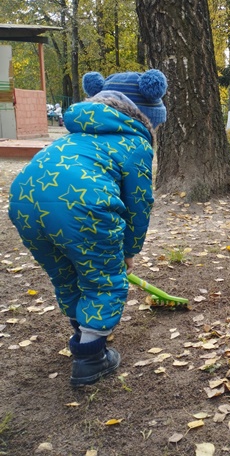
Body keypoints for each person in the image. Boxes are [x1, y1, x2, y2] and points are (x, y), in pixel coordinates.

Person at [8, 69, 168, 386]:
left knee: (66, 273)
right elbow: (139, 203)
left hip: (23, 203)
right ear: (145, 115)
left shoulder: (75, 136)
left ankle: (83, 332)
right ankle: (91, 359)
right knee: (103, 280)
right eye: (156, 123)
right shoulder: (135, 143)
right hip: (84, 207)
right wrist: (128, 250)